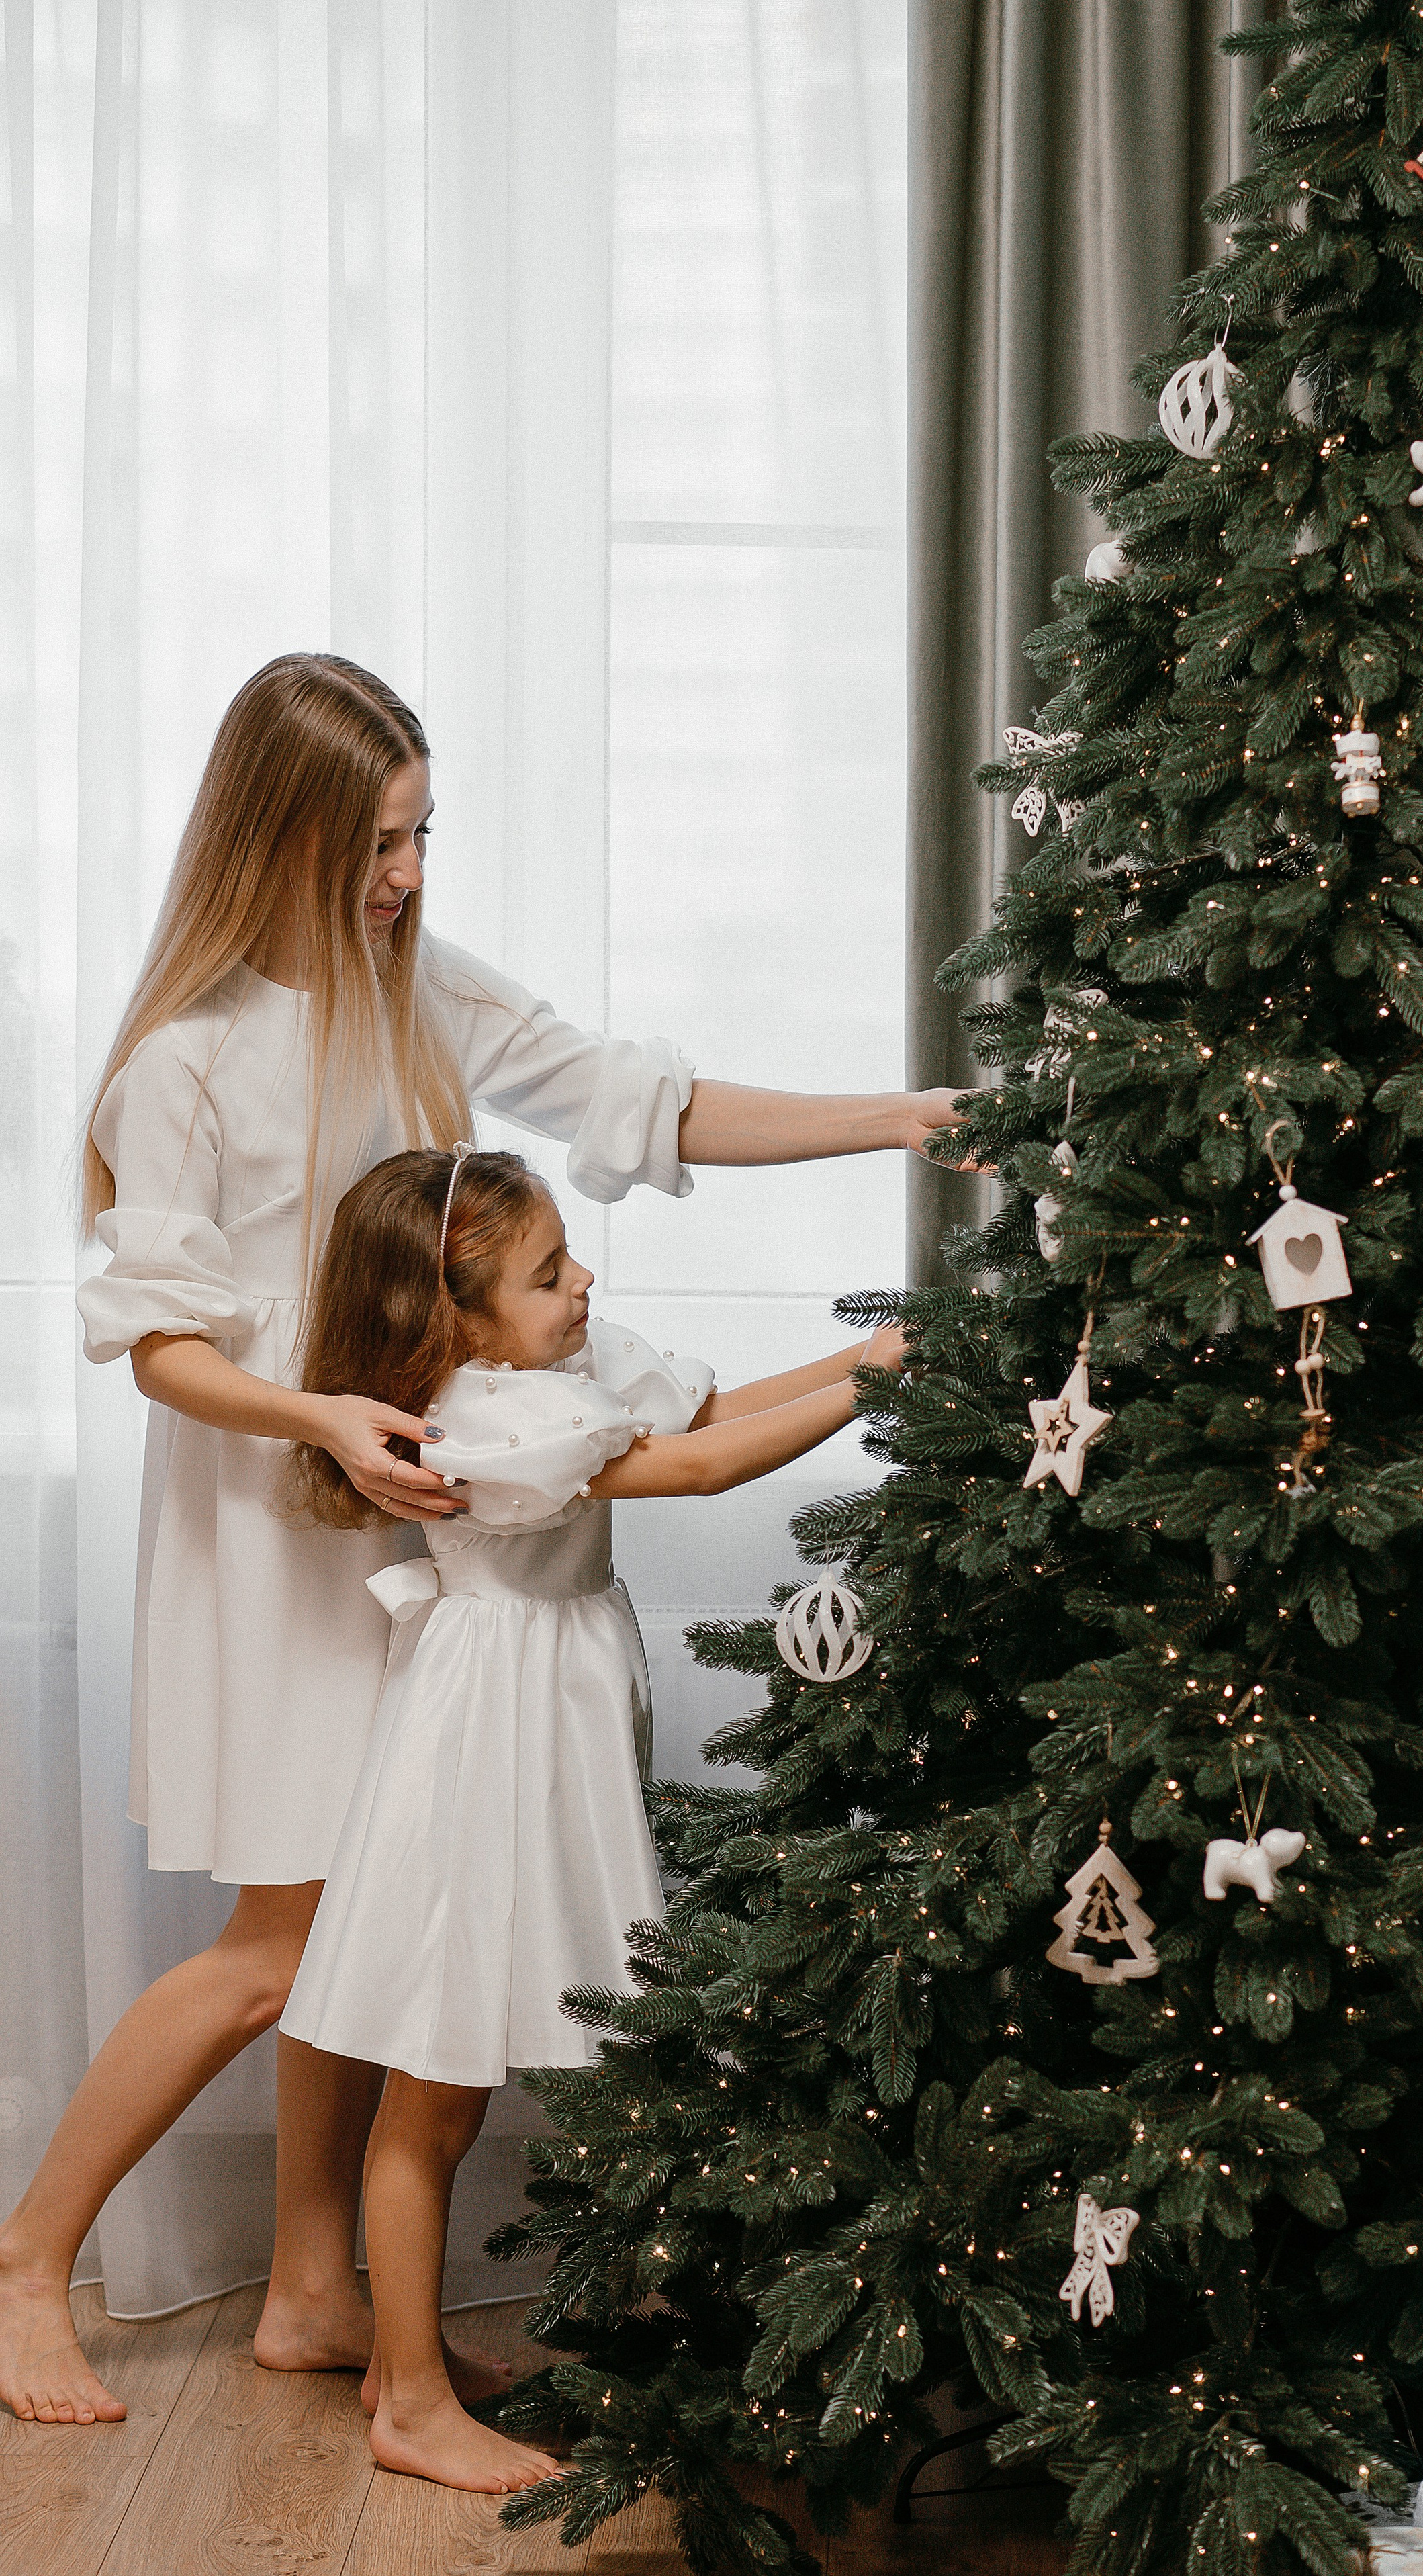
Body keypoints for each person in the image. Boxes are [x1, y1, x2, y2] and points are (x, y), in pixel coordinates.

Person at [0, 652, 960, 2426]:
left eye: (424, 833)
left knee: (362, 1913)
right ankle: (23, 2261)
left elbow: (642, 1102)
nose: (409, 872)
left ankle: (312, 2280)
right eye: (379, 841)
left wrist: (894, 1118)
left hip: (423, 1520)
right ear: (279, 832)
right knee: (282, 1938)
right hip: (271, 1534)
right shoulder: (184, 1061)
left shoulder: (416, 990)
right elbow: (157, 1345)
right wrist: (323, 1421)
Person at [277, 1145, 907, 2490]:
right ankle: (410, 2407)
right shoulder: (477, 1417)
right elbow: (692, 1473)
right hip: (485, 1735)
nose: (582, 1284)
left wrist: (874, 1353)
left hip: (548, 1708)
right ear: (454, 1316)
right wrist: (874, 1377)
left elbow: (707, 1409)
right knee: (436, 2082)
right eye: (548, 1273)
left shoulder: (556, 1374)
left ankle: (404, 2362)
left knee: (476, 2062)